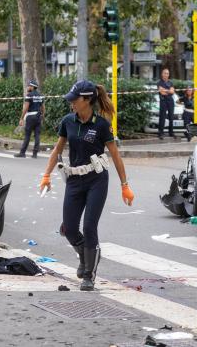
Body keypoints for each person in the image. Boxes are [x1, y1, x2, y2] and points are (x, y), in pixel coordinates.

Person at [39, 80, 134, 291]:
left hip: (96, 180)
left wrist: (124, 185)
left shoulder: (101, 125)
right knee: (70, 228)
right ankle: (85, 254)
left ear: (87, 99)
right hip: (74, 180)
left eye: (75, 99)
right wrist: (46, 175)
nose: (71, 103)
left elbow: (116, 155)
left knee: (89, 227)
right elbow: (57, 150)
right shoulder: (68, 121)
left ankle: (89, 274)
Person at [15, 79, 45, 158]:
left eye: (29, 86)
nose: (28, 87)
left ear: (32, 87)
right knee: (37, 135)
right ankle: (35, 154)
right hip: (38, 116)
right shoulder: (40, 95)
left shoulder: (29, 95)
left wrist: (21, 118)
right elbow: (43, 107)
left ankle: (22, 153)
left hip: (30, 117)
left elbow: (26, 107)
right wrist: (42, 116)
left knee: (27, 135)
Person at [157, 68, 175, 139]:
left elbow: (172, 92)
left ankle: (171, 132)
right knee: (162, 117)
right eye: (165, 73)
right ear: (162, 74)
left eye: (167, 73)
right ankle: (160, 133)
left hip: (170, 101)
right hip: (163, 101)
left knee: (171, 117)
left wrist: (165, 90)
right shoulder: (159, 83)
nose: (166, 75)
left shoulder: (171, 82)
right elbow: (162, 92)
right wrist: (168, 90)